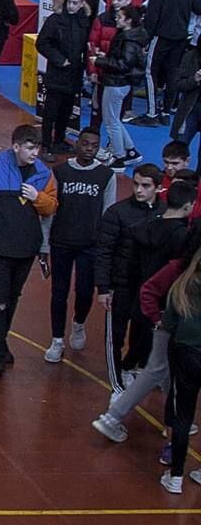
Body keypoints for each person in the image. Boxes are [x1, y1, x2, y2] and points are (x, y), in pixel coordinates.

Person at [93, 186, 196, 447]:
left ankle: (170, 421)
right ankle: (120, 417)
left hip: (149, 307)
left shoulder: (146, 228)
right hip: (167, 315)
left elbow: (138, 273)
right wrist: (160, 317)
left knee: (162, 371)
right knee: (158, 370)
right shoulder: (180, 251)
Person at [0, 125, 60, 376]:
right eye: (30, 148)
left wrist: (37, 197)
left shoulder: (44, 174)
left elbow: (51, 207)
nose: (35, 153)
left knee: (12, 298)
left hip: (25, 250)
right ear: (16, 146)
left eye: (37, 148)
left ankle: (0, 341)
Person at [44, 129, 115, 363]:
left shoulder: (106, 175)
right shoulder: (60, 172)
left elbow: (108, 212)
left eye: (94, 146)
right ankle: (56, 340)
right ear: (77, 144)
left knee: (85, 291)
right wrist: (44, 245)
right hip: (62, 241)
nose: (89, 149)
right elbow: (51, 209)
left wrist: (106, 245)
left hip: (90, 244)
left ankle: (78, 323)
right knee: (58, 292)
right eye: (85, 144)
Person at [97, 163, 164, 385]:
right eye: (136, 184)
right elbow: (105, 251)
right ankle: (116, 385)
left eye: (145, 186)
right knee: (115, 335)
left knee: (144, 333)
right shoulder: (117, 212)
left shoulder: (164, 214)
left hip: (148, 288)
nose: (138, 190)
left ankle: (128, 365)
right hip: (121, 285)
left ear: (157, 187)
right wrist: (104, 288)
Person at [153, 252, 201, 495]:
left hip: (187, 354)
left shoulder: (182, 287)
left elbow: (169, 323)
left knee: (182, 415)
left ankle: (175, 477)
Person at [144, 0, 201, 122]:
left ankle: (151, 113)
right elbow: (198, 8)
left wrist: (145, 40)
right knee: (173, 74)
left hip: (161, 36)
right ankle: (167, 112)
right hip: (181, 38)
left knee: (151, 72)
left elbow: (151, 18)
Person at [36, 0, 92, 154]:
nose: (71, 6)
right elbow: (42, 43)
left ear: (82, 4)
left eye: (75, 3)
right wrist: (60, 60)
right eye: (69, 2)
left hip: (74, 75)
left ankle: (59, 140)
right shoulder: (55, 20)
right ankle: (46, 145)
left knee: (66, 111)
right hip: (57, 73)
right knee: (50, 112)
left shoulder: (84, 21)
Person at [99, 3, 148, 165]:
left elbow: (122, 65)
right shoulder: (132, 36)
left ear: (128, 20)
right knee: (115, 119)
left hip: (116, 83)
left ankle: (119, 156)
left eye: (119, 17)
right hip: (121, 84)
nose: (116, 19)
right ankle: (130, 150)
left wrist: (100, 60)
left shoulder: (128, 40)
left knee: (110, 121)